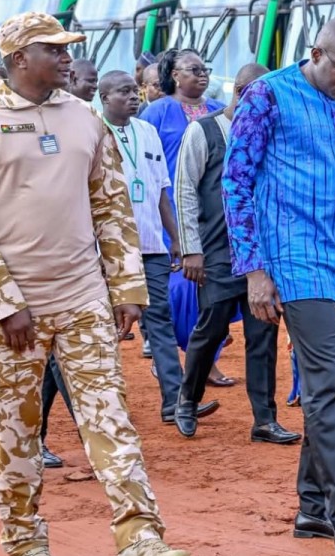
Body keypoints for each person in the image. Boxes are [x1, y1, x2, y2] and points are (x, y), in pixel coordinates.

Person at [0, 11, 191, 556]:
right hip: (15, 310)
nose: (69, 57)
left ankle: (140, 537)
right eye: (55, 49)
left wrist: (124, 289)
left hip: (83, 297)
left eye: (69, 48)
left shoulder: (84, 119)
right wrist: (3, 303)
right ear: (19, 58)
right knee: (16, 428)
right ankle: (25, 543)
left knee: (110, 417)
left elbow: (111, 207)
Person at [223, 18, 335, 556]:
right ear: (315, 53)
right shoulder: (267, 96)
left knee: (326, 391)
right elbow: (236, 182)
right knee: (328, 388)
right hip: (293, 259)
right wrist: (254, 269)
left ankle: (309, 507)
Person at [174, 63, 297, 444]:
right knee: (211, 328)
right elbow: (185, 190)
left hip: (263, 253)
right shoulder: (204, 131)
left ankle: (264, 419)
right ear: (241, 92)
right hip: (216, 251)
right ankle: (187, 399)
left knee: (263, 334)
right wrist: (191, 249)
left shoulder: (270, 134)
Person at [96, 70, 204, 425]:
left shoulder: (147, 132)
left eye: (134, 90)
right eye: (123, 92)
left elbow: (161, 192)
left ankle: (174, 401)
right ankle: (105, 408)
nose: (133, 96)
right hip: (105, 251)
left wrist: (175, 238)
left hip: (152, 245)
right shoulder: (92, 132)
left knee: (160, 320)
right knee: (104, 327)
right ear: (104, 97)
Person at [141, 48, 232, 387]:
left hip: (215, 215)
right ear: (175, 76)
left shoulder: (217, 111)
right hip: (170, 213)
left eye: (204, 68)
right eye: (193, 69)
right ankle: (170, 357)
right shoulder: (157, 112)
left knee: (214, 288)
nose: (202, 74)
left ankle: (206, 361)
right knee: (178, 290)